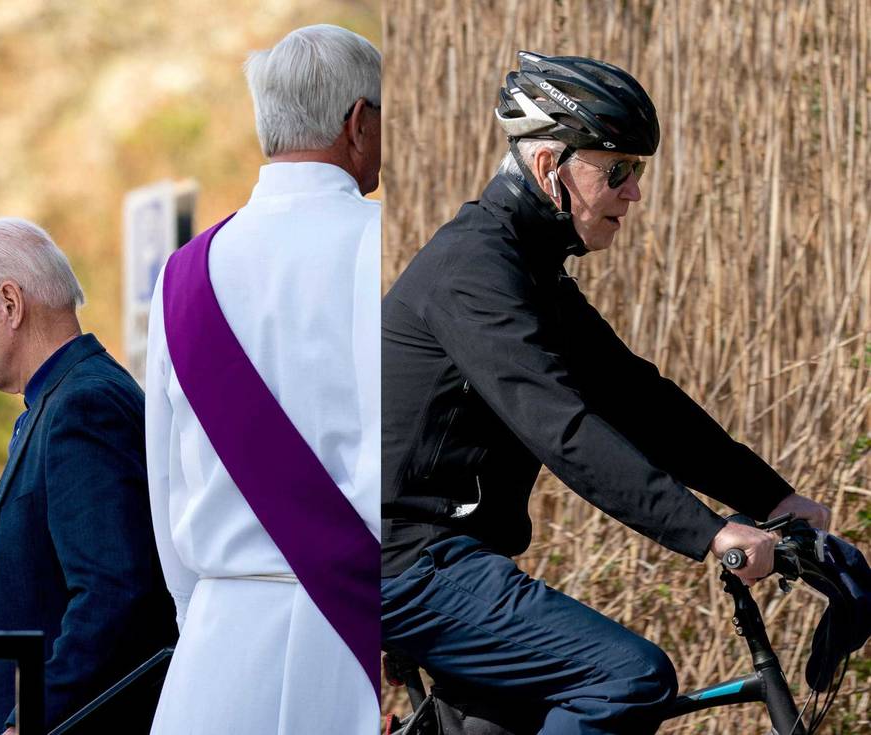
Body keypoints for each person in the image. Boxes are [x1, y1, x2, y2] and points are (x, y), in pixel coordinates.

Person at [381, 52, 831, 734]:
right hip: (407, 562)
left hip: (446, 559)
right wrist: (709, 533)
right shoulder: (473, 272)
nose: (633, 193)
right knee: (626, 678)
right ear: (548, 167)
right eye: (617, 170)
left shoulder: (529, 269)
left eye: (637, 171)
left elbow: (639, 401)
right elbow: (565, 430)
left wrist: (770, 497)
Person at [144, 24, 381, 735]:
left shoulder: (181, 274)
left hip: (215, 647)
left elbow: (163, 478)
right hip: (349, 636)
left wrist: (198, 611)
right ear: (359, 123)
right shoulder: (383, 244)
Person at [0, 218, 176, 734]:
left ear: (10, 303)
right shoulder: (65, 399)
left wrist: (26, 723)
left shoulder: (82, 407)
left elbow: (112, 598)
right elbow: (33, 582)